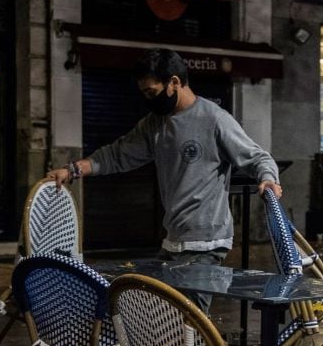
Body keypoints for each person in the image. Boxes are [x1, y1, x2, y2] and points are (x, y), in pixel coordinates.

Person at [51, 48, 283, 279]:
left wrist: (268, 180)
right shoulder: (155, 124)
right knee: (160, 311)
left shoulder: (214, 119)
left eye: (152, 92)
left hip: (206, 243)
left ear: (174, 82)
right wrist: (72, 170)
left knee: (191, 314)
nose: (148, 99)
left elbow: (257, 157)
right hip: (173, 239)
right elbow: (116, 155)